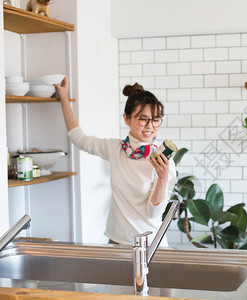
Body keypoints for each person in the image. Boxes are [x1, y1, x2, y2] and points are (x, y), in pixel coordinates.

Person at [55, 76, 177, 246]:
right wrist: (63, 97)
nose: (150, 126)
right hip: (117, 242)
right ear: (127, 118)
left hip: (151, 247)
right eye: (143, 119)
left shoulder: (163, 159)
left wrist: (163, 179)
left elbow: (153, 213)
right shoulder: (116, 149)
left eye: (156, 119)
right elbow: (79, 139)